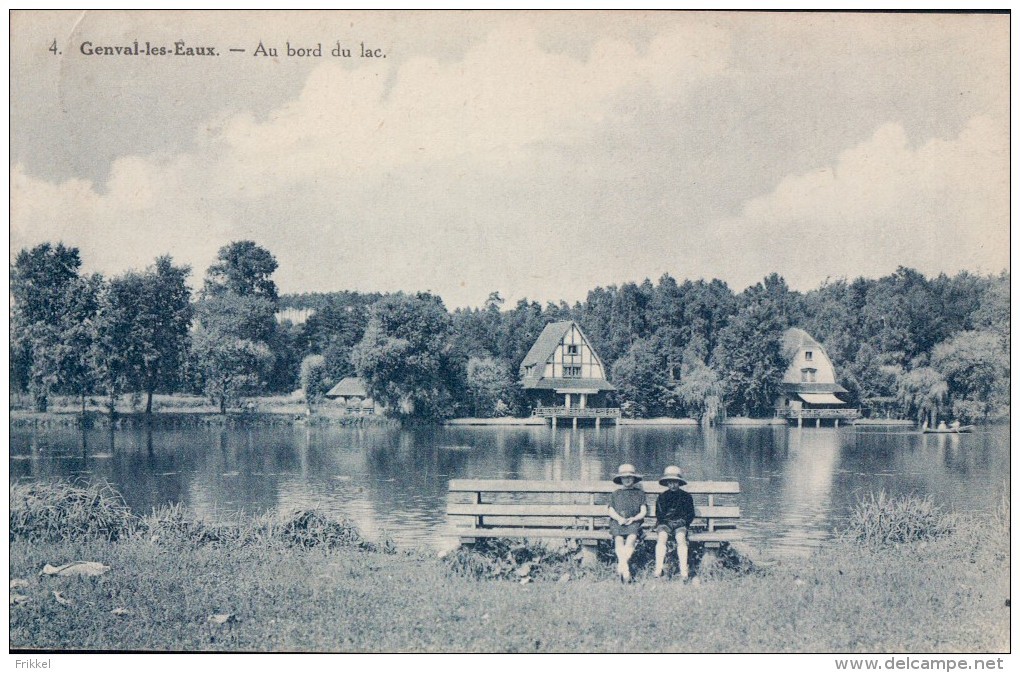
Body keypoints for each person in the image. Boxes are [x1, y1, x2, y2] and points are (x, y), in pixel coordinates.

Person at [653, 466, 695, 580]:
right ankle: (658, 569)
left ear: (679, 482)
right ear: (666, 483)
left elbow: (690, 514)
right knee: (662, 537)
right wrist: (667, 524)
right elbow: (659, 514)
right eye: (670, 482)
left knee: (681, 538)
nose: (672, 485)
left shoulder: (686, 497)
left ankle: (683, 571)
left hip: (680, 523)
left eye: (675, 482)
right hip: (665, 523)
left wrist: (682, 523)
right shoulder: (662, 497)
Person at [607, 463, 647, 583]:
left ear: (634, 479)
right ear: (620, 479)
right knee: (618, 540)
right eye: (624, 477)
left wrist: (634, 519)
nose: (627, 479)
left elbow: (643, 511)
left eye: (630, 477)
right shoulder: (616, 494)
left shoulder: (639, 493)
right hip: (618, 521)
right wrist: (618, 518)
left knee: (631, 539)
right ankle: (625, 568)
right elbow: (611, 510)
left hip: (633, 522)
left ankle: (622, 565)